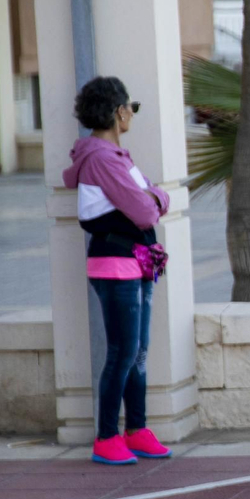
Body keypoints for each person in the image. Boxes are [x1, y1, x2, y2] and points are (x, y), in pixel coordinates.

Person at [62, 77, 174, 467]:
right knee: (122, 352)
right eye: (132, 107)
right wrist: (153, 198)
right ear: (117, 111)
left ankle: (137, 430)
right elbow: (146, 209)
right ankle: (107, 436)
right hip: (116, 265)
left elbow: (158, 195)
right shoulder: (103, 160)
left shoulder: (117, 157)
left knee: (138, 352)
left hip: (136, 263)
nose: (132, 114)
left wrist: (154, 196)